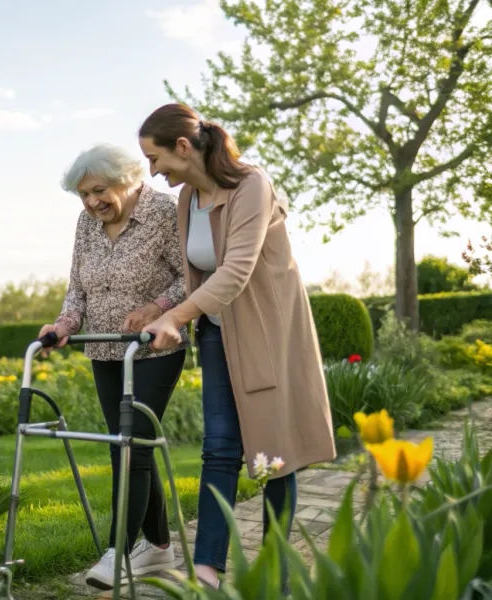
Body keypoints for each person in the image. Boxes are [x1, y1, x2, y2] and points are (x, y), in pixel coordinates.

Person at [137, 104, 336, 590]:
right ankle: (206, 569)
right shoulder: (187, 199)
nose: (152, 171)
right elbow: (198, 272)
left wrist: (174, 317)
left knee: (275, 450)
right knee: (219, 447)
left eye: (154, 157)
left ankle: (275, 569)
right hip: (219, 333)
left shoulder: (251, 185)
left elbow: (237, 269)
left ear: (183, 147)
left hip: (268, 334)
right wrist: (164, 310)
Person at [38, 143, 189, 591]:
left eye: (99, 191)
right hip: (104, 350)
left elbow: (192, 278)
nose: (91, 202)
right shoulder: (86, 223)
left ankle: (117, 553)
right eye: (83, 195)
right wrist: (64, 323)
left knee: (132, 447)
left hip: (155, 348)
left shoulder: (164, 212)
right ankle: (159, 547)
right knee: (125, 445)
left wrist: (156, 307)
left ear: (127, 180)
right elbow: (76, 289)